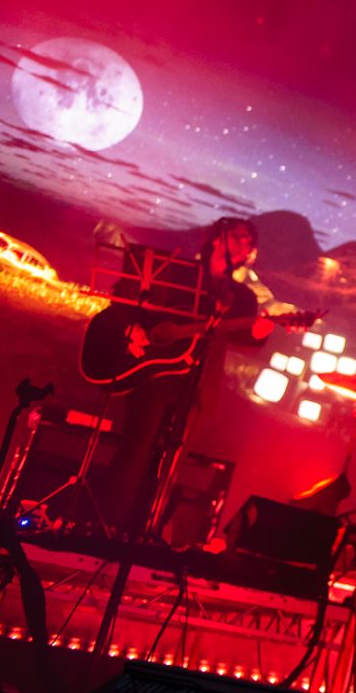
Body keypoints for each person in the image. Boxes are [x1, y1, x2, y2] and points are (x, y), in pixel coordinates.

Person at [98, 217, 290, 538]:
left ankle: (145, 530)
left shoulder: (242, 297)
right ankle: (108, 525)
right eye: (240, 237)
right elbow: (124, 298)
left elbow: (246, 341)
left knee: (173, 460)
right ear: (216, 238)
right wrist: (133, 328)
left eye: (251, 242)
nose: (247, 245)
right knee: (138, 447)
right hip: (155, 375)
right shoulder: (177, 272)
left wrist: (260, 333)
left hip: (200, 385)